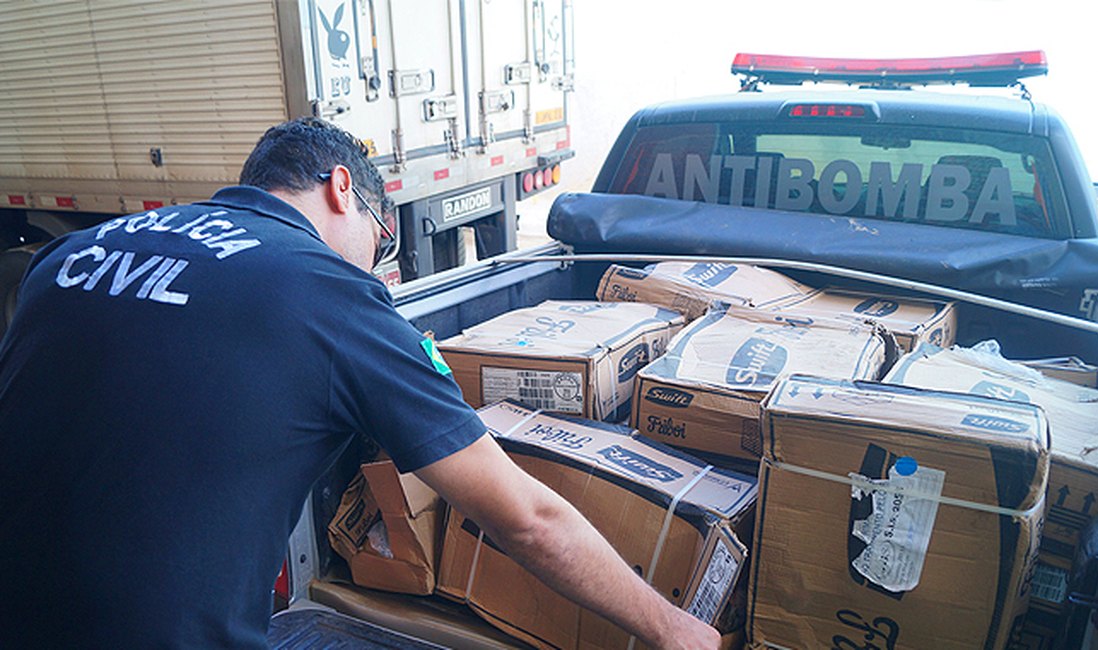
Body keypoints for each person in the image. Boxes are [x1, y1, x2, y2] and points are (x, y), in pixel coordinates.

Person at [0, 117, 719, 649]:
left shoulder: (67, 255)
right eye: (382, 241)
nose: (376, 270)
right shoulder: (324, 290)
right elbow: (527, 519)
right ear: (342, 189)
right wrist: (674, 629)